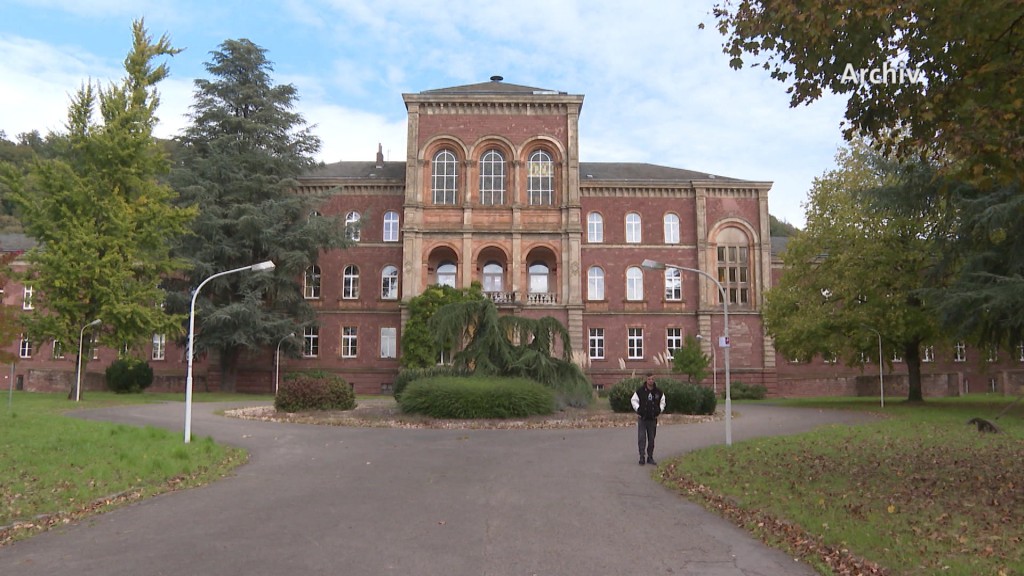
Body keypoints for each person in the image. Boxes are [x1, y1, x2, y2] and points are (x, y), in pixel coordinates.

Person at [631, 373, 666, 465]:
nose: (651, 381)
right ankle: (642, 456)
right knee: (641, 438)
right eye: (649, 379)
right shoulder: (640, 391)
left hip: (652, 419)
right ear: (646, 380)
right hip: (642, 418)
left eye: (652, 379)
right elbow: (633, 400)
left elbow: (663, 402)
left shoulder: (658, 392)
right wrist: (638, 409)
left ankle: (650, 457)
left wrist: (659, 410)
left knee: (651, 439)